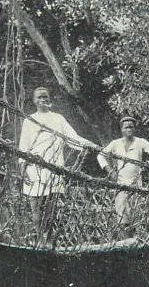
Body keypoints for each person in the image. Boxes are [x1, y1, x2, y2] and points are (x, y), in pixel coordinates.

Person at [18, 87, 99, 249]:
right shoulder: (29, 120)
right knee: (36, 207)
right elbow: (23, 147)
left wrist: (91, 145)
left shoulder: (58, 119)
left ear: (50, 99)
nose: (43, 100)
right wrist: (22, 170)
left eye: (46, 97)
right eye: (39, 97)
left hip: (54, 168)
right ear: (34, 101)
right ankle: (40, 238)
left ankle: (47, 239)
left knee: (51, 207)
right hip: (34, 169)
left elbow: (72, 138)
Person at [97, 116, 149, 238]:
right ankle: (124, 243)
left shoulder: (141, 142)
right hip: (120, 185)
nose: (129, 130)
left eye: (131, 127)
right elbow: (101, 155)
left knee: (136, 216)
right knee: (121, 218)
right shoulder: (115, 144)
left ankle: (136, 242)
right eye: (126, 127)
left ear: (135, 129)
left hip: (136, 185)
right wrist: (110, 172)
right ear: (122, 129)